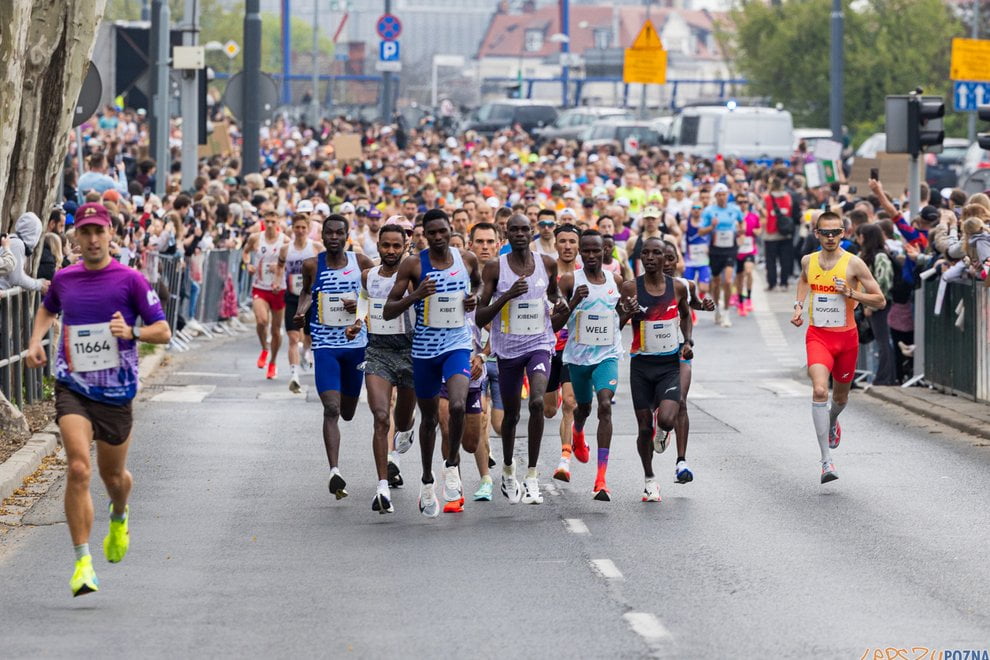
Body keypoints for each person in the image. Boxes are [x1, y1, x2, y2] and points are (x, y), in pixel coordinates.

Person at [26, 203, 171, 597]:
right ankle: (83, 563)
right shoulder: (65, 278)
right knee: (77, 468)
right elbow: (47, 309)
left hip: (116, 390)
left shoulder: (131, 280)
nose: (92, 239)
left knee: (114, 479)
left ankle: (119, 514)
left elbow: (163, 330)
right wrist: (36, 339)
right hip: (72, 385)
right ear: (76, 237)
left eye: (98, 232)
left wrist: (133, 333)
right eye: (85, 232)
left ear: (110, 236)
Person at [383, 209, 481, 517]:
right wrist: (416, 295)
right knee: (428, 421)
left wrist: (473, 298)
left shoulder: (466, 259)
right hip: (424, 350)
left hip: (457, 344)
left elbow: (477, 285)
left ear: (451, 230)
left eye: (443, 231)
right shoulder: (414, 264)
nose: (438, 237)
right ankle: (426, 481)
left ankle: (450, 467)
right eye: (432, 233)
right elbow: (388, 310)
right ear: (424, 234)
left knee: (456, 406)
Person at [790, 211, 886, 483]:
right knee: (820, 390)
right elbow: (803, 281)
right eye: (825, 232)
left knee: (840, 398)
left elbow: (880, 300)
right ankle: (826, 461)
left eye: (836, 232)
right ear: (816, 234)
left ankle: (833, 420)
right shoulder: (808, 260)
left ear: (844, 233)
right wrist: (798, 307)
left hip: (846, 340)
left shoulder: (854, 264)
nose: (830, 237)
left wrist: (852, 294)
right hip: (818, 336)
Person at [476, 214, 561, 505]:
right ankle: (509, 468)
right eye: (515, 229)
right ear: (506, 233)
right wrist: (507, 296)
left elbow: (554, 296)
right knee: (511, 415)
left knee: (537, 401)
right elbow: (480, 314)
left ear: (532, 231)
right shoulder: (494, 268)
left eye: (525, 229)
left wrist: (562, 303)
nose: (520, 233)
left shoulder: (546, 263)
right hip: (507, 350)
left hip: (539, 344)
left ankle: (533, 475)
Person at [294, 214, 375, 499]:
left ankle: (336, 462)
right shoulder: (311, 265)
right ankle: (335, 471)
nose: (334, 238)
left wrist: (359, 305)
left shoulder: (361, 263)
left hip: (355, 346)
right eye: (329, 233)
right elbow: (306, 292)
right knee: (331, 408)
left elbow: (375, 295)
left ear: (347, 235)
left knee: (349, 412)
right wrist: (302, 310)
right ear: (323, 235)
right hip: (325, 345)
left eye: (339, 233)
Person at [554, 230, 635, 501]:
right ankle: (577, 433)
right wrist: (574, 300)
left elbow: (619, 321)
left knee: (604, 404)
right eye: (585, 251)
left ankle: (601, 479)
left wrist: (628, 311)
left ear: (604, 252)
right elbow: (554, 324)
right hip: (577, 357)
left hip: (607, 355)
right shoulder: (569, 281)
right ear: (580, 254)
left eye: (595, 251)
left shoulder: (616, 281)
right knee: (583, 407)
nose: (590, 255)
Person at [350, 224, 417, 513]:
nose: (391, 251)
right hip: (378, 350)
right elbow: (365, 301)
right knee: (380, 416)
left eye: (396, 246)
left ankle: (408, 427)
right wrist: (356, 322)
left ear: (405, 247)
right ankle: (381, 487)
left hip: (411, 351)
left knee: (401, 421)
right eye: (386, 246)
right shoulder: (369, 276)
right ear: (378, 246)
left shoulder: (413, 276)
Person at [628, 237, 692, 502]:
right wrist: (626, 312)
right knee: (644, 429)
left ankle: (665, 432)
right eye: (647, 253)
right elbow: (618, 321)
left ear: (666, 258)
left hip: (668, 364)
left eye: (657, 253)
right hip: (641, 366)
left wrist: (687, 341)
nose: (652, 258)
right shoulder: (630, 287)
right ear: (641, 257)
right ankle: (650, 479)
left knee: (667, 417)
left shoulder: (677, 287)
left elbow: (686, 314)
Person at [663, 242, 715, 484]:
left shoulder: (684, 285)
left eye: (670, 258)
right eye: (661, 257)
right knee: (662, 410)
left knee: (681, 402)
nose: (665, 262)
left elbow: (689, 308)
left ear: (677, 261)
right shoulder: (639, 287)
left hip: (678, 351)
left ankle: (681, 462)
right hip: (649, 358)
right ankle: (662, 424)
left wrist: (688, 341)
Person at [544, 224, 580, 483]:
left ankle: (564, 460)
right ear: (555, 244)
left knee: (569, 403)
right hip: (545, 347)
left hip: (574, 348)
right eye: (563, 241)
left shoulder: (585, 276)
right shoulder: (546, 272)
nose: (568, 246)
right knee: (547, 410)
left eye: (572, 242)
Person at [242, 209, 288, 379]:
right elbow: (245, 252)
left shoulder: (285, 241)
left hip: (278, 289)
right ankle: (264, 348)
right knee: (261, 321)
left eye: (272, 221)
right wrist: (248, 265)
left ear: (278, 222)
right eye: (267, 221)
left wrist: (280, 267)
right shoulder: (256, 238)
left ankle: (273, 362)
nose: (269, 225)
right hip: (260, 287)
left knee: (276, 330)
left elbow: (293, 262)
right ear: (263, 222)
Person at [280, 214, 322, 392]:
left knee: (309, 337)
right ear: (292, 228)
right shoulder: (285, 249)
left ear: (308, 228)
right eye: (296, 227)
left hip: (311, 296)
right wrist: (277, 281)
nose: (300, 231)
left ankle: (306, 351)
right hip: (292, 297)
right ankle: (294, 376)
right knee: (292, 337)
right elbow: (279, 268)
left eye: (303, 227)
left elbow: (323, 270)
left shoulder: (316, 248)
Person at [702, 183, 743, 327]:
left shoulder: (735, 209)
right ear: (715, 196)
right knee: (716, 281)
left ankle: (726, 313)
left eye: (724, 194)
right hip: (715, 249)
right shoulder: (709, 211)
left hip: (730, 248)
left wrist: (740, 233)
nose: (721, 197)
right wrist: (711, 227)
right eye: (718, 195)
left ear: (727, 195)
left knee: (727, 281)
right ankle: (717, 309)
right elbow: (701, 231)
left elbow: (741, 223)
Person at [733, 195, 761, 317]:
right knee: (739, 277)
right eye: (740, 202)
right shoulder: (733, 217)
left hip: (750, 249)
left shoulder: (753, 216)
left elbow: (759, 230)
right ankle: (740, 302)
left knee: (748, 271)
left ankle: (749, 298)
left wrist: (756, 232)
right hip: (737, 251)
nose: (743, 204)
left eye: (745, 201)